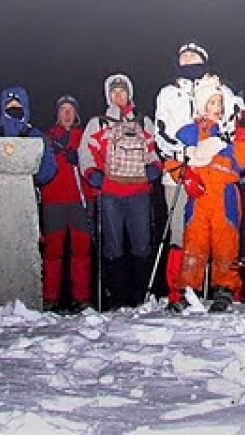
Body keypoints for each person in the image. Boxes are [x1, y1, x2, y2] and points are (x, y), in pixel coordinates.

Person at [153, 43, 240, 300]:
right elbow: (162, 131)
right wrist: (184, 152)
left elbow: (234, 123)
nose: (188, 60)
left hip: (215, 171)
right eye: (183, 57)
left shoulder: (220, 88)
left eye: (194, 57)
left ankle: (222, 287)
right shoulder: (168, 93)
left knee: (222, 232)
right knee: (182, 232)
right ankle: (179, 289)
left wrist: (214, 146)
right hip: (179, 170)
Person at [171, 76, 245, 311]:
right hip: (198, 198)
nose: (216, 108)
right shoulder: (189, 132)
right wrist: (185, 176)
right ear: (201, 106)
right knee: (194, 244)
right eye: (211, 103)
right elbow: (171, 157)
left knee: (225, 244)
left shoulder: (229, 133)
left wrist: (242, 134)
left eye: (219, 103)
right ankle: (188, 289)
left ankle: (224, 289)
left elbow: (244, 162)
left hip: (224, 195)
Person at [81, 73, 162, 309]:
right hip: (110, 193)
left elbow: (154, 150)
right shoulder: (98, 123)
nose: (118, 96)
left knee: (142, 245)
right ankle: (116, 297)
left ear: (129, 94)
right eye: (114, 92)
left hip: (138, 192)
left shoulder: (143, 121)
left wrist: (155, 167)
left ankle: (141, 296)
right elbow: (85, 152)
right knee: (113, 247)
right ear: (108, 95)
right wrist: (91, 173)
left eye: (122, 91)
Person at [41, 96, 95, 311]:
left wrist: (80, 160)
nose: (67, 114)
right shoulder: (48, 137)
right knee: (53, 251)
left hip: (80, 200)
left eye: (70, 110)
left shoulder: (83, 137)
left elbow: (93, 161)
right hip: (54, 200)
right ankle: (50, 297)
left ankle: (81, 297)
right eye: (63, 109)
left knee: (81, 251)